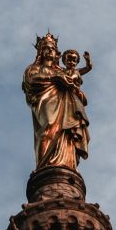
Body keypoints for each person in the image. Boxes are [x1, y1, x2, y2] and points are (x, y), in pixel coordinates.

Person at [22, 33, 91, 169]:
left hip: (66, 104)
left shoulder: (61, 70)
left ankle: (66, 164)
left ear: (57, 53)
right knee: (48, 129)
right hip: (46, 100)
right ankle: (43, 166)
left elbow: (75, 81)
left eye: (52, 49)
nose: (50, 51)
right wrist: (55, 78)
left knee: (67, 134)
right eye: (46, 48)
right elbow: (31, 80)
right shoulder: (34, 68)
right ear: (41, 52)